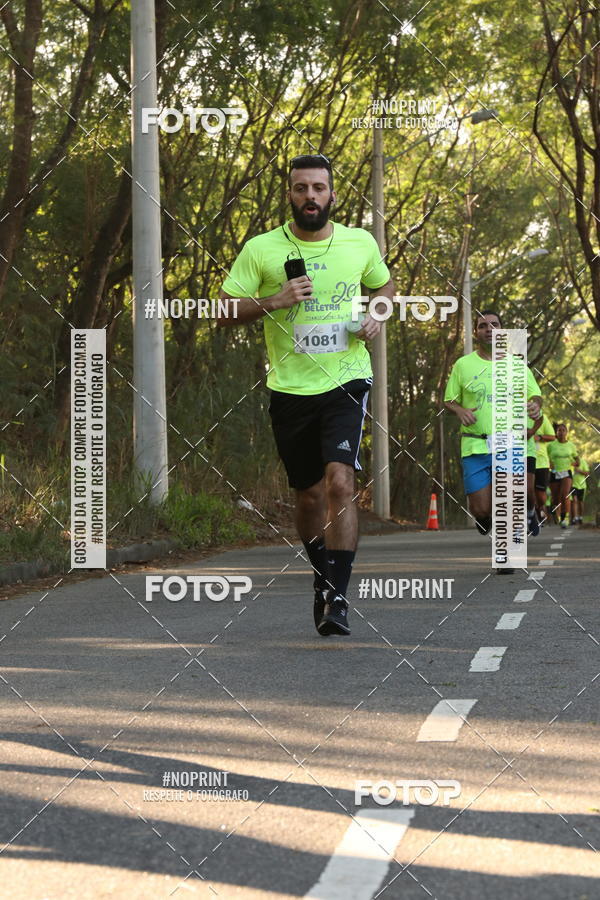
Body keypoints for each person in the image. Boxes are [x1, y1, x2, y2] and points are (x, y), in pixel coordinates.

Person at [218, 154, 394, 636]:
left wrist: (377, 313)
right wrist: (274, 300)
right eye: (301, 189)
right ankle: (321, 574)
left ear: (332, 194)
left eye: (319, 188)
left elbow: (384, 286)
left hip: (347, 379)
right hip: (290, 387)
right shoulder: (261, 249)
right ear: (290, 195)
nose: (310, 196)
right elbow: (223, 310)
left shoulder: (359, 242)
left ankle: (338, 595)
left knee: (340, 482)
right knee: (309, 495)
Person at [444, 310, 543, 569]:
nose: (489, 329)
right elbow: (448, 399)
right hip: (474, 444)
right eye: (482, 326)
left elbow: (535, 395)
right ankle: (484, 519)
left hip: (510, 443)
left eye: (494, 325)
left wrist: (534, 406)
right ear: (475, 332)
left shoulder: (517, 364)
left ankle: (506, 554)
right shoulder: (463, 365)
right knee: (481, 509)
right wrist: (460, 410)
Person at [548, 424, 579, 529]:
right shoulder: (551, 445)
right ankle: (554, 508)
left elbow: (577, 460)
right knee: (556, 498)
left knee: (565, 495)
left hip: (567, 472)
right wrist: (549, 464)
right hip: (554, 472)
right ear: (556, 433)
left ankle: (564, 519)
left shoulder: (571, 445)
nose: (561, 432)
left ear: (567, 432)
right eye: (559, 430)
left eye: (563, 430)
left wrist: (574, 464)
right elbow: (546, 457)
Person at [533, 413, 556, 524]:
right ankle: (532, 515)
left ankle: (540, 508)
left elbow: (552, 436)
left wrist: (540, 437)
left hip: (541, 462)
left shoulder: (541, 417)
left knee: (541, 495)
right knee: (528, 491)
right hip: (523, 461)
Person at [570, 453, 589, 524]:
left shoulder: (583, 462)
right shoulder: (570, 462)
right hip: (572, 485)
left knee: (580, 502)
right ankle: (575, 518)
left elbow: (587, 473)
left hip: (582, 485)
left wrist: (579, 470)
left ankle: (580, 517)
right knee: (574, 500)